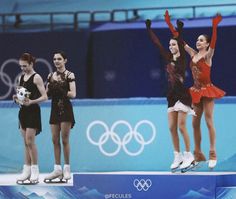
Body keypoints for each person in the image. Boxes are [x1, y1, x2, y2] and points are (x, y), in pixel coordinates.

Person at [145, 13, 195, 172]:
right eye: (170, 45)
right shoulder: (168, 57)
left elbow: (180, 40)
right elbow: (157, 43)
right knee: (172, 127)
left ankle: (189, 155)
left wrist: (179, 29)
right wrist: (149, 29)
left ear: (178, 46)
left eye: (173, 44)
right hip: (171, 96)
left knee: (181, 126)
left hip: (183, 95)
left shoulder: (182, 60)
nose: (171, 46)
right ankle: (177, 155)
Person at [182, 14, 225, 169]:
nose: (198, 41)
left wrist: (214, 27)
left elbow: (214, 43)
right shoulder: (193, 54)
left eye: (201, 40)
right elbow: (182, 43)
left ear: (206, 44)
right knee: (194, 123)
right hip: (196, 91)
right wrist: (172, 26)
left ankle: (213, 152)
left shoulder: (208, 56)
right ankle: (198, 154)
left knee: (208, 120)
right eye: (197, 40)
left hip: (207, 90)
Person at [13, 53, 48, 184]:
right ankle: (26, 170)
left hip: (33, 111)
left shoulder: (37, 77)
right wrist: (17, 99)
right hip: (23, 112)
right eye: (21, 66)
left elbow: (45, 97)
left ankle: (35, 171)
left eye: (25, 66)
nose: (22, 68)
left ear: (31, 64)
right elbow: (22, 97)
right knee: (25, 142)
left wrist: (32, 102)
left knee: (30, 141)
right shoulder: (21, 77)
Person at [44, 51, 76, 183]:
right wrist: (49, 89)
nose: (56, 61)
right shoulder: (50, 76)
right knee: (54, 140)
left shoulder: (70, 75)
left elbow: (73, 94)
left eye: (59, 59)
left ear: (65, 60)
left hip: (65, 109)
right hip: (54, 109)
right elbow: (46, 95)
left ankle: (67, 168)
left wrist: (61, 90)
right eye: (54, 59)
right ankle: (57, 168)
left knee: (64, 140)